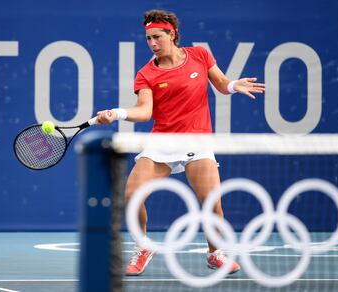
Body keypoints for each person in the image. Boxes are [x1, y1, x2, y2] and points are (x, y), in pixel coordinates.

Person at [96, 9, 265, 276]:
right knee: (131, 195)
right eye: (148, 38)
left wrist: (234, 85)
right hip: (162, 142)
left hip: (197, 141)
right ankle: (143, 247)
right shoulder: (146, 74)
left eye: (157, 37)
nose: (152, 43)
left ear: (171, 34)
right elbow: (145, 111)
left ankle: (215, 254)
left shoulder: (199, 55)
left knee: (212, 203)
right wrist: (117, 113)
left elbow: (220, 83)